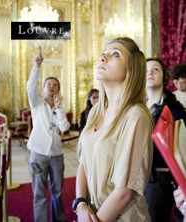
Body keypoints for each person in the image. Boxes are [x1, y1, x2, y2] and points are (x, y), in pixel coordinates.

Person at [74, 37, 154, 222]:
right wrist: (80, 204)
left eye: (115, 54)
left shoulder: (136, 116)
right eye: (103, 53)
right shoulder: (95, 111)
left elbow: (124, 193)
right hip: (92, 212)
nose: (103, 58)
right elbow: (83, 163)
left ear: (131, 69)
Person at [27, 46, 70, 222]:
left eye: (55, 86)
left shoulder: (60, 108)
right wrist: (37, 66)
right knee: (39, 193)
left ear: (57, 90)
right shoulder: (37, 104)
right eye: (48, 85)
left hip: (56, 155)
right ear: (44, 89)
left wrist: (59, 109)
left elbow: (65, 127)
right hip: (38, 153)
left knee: (58, 192)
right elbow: (30, 87)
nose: (51, 88)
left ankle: (59, 219)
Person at [145, 57, 186, 222]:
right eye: (146, 70)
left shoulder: (175, 107)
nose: (150, 73)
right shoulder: (137, 108)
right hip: (145, 176)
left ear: (164, 77)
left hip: (170, 175)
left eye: (155, 69)